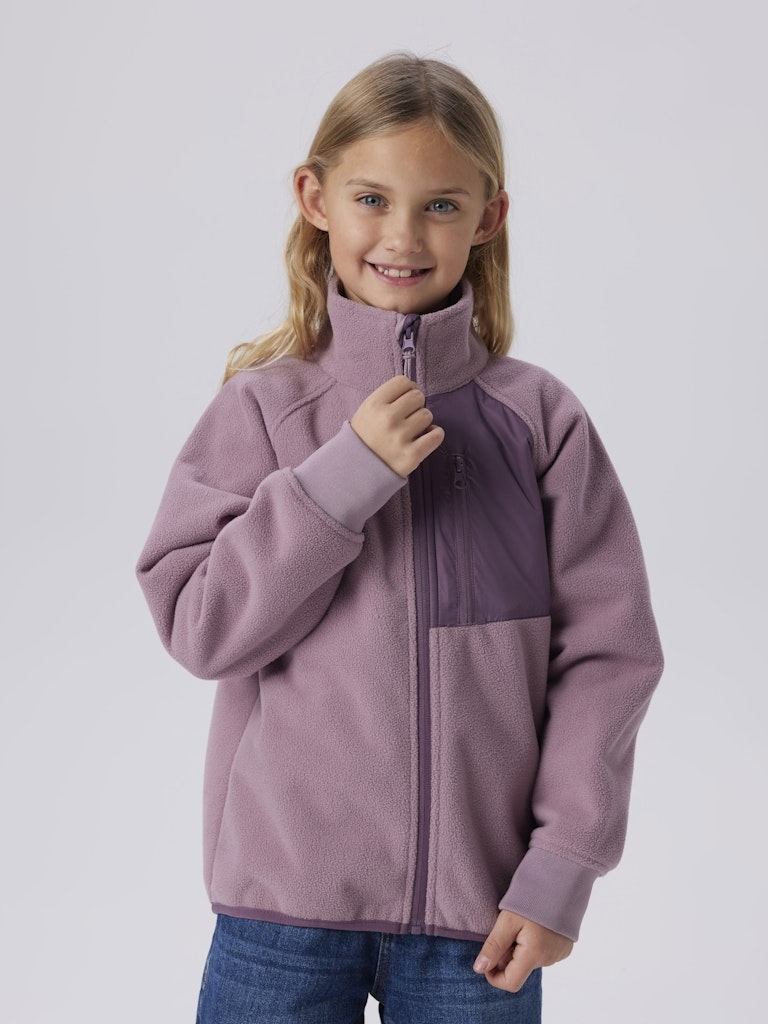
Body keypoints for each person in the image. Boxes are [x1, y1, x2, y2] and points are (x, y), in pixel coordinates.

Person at [136, 52, 663, 1023]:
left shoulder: (539, 422)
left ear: (489, 217)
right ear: (316, 198)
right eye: (372, 197)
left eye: (441, 205)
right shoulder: (263, 411)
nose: (403, 236)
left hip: (480, 921)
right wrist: (340, 480)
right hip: (281, 912)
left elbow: (608, 656)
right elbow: (200, 626)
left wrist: (562, 866)